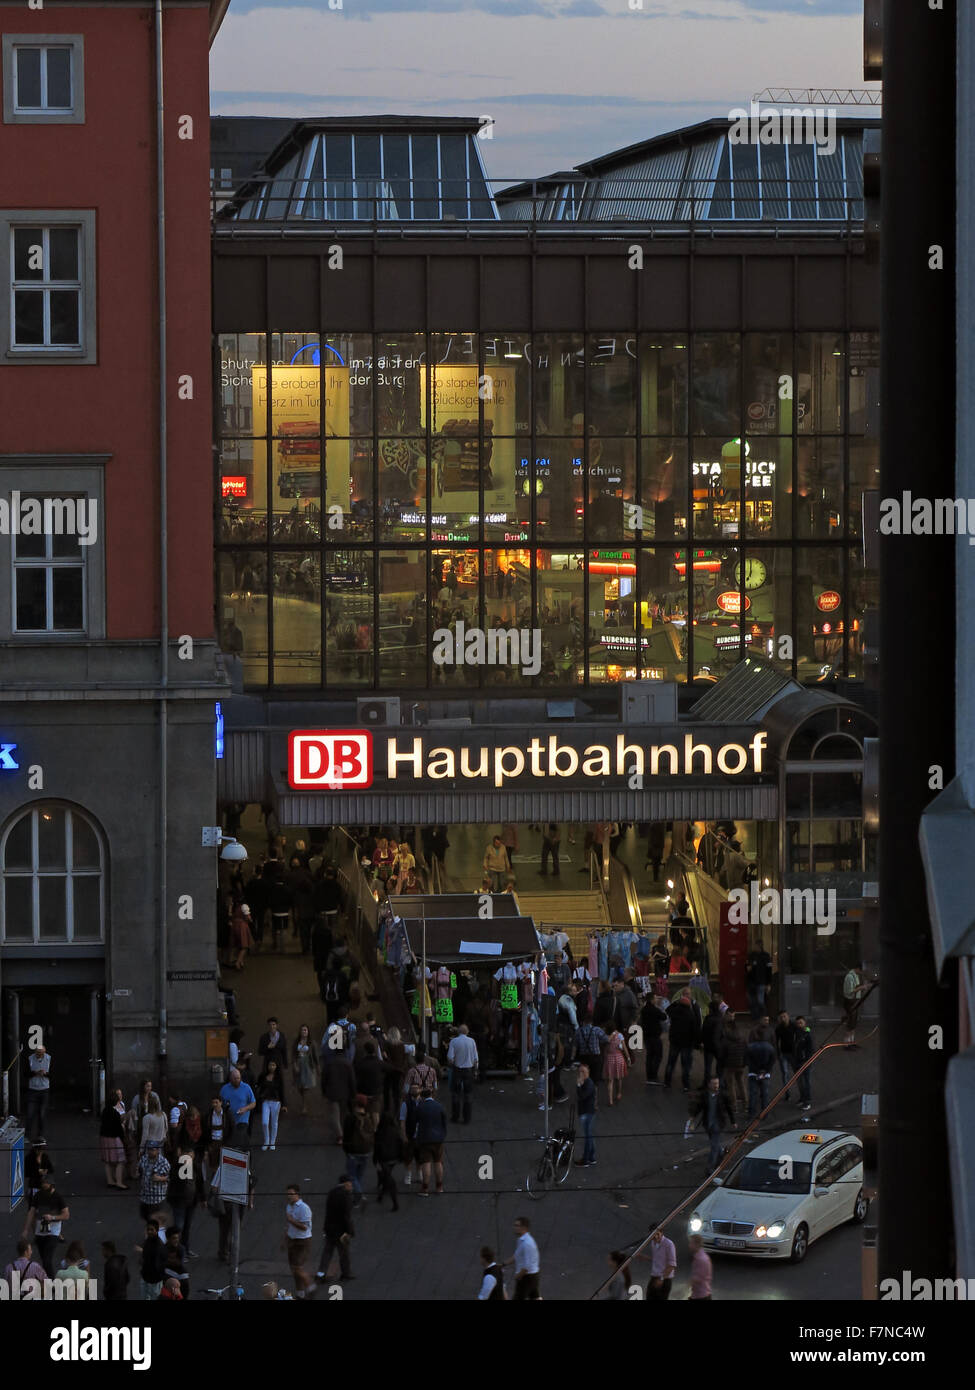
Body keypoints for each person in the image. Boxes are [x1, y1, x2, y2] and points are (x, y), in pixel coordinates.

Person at [689, 1076, 736, 1169]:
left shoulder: (723, 1095)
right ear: (709, 1085)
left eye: (717, 1083)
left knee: (714, 1146)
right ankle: (721, 1155)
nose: (716, 1085)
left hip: (718, 1124)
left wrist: (733, 1121)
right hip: (708, 1124)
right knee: (715, 1143)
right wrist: (693, 1116)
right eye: (714, 1083)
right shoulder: (705, 1095)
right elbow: (700, 1107)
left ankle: (711, 1167)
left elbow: (729, 1108)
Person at [317, 1174, 355, 1284]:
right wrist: (350, 1231)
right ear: (346, 1183)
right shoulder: (346, 1195)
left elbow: (328, 1212)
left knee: (327, 1252)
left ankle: (321, 1274)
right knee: (344, 1253)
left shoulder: (332, 1192)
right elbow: (346, 1216)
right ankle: (346, 1274)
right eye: (350, 1183)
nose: (351, 1185)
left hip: (329, 1229)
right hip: (341, 1231)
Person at [664, 989, 702, 1092]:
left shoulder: (674, 1012)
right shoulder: (691, 1015)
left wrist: (676, 1002)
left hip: (675, 1041)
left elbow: (667, 1010)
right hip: (687, 1043)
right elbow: (696, 1028)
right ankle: (686, 1085)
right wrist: (697, 1042)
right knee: (685, 1064)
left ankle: (667, 1082)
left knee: (671, 1062)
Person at [343, 1095, 378, 1207]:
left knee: (352, 1176)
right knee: (359, 1176)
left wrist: (346, 1149)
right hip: (366, 1151)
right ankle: (358, 1196)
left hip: (353, 1151)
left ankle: (358, 1195)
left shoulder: (350, 1118)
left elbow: (346, 1135)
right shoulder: (368, 1117)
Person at [166, 1143, 198, 1256]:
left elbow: (199, 1183)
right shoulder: (177, 1167)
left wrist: (202, 1198)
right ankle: (176, 1250)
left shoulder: (194, 1167)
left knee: (187, 1227)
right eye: (186, 1157)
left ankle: (185, 1249)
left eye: (190, 1158)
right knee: (179, 1227)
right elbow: (176, 1181)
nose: (188, 1160)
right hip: (179, 1203)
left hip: (191, 1202)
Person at [415, 1087, 448, 1196]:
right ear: (432, 1095)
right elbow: (444, 1122)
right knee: (438, 1162)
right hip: (438, 1139)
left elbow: (416, 1121)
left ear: (422, 1096)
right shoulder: (439, 1106)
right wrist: (442, 1134)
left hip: (425, 1139)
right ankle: (439, 1186)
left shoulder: (420, 1107)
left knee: (426, 1163)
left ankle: (425, 1188)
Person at [284, 1184, 314, 1297]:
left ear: (297, 1194)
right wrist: (284, 1239)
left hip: (303, 1242)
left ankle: (310, 1286)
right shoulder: (289, 1206)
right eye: (287, 1194)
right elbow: (288, 1226)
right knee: (293, 1269)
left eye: (291, 1194)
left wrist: (291, 1220)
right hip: (292, 1240)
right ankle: (300, 1293)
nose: (289, 1197)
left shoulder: (304, 1208)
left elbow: (304, 1227)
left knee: (297, 1267)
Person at [447, 1023, 478, 1124]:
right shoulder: (472, 1041)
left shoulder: (454, 1041)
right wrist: (476, 1070)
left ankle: (455, 1117)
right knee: (468, 1095)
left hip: (457, 1070)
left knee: (456, 1094)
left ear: (458, 1032)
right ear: (467, 1032)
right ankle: (467, 1118)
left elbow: (450, 1058)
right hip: (468, 1070)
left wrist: (452, 1065)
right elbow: (475, 1059)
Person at [373, 1110, 403, 1212]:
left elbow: (376, 1147)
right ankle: (381, 1196)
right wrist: (401, 1156)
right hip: (394, 1158)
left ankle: (394, 1202)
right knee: (387, 1176)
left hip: (383, 1158)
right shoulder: (395, 1131)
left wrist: (375, 1159)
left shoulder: (379, 1132)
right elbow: (400, 1144)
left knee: (388, 1179)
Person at [219, 1067, 257, 1147]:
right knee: (230, 1144)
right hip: (229, 1121)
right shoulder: (224, 1089)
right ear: (230, 1078)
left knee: (240, 1141)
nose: (237, 1080)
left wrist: (245, 1108)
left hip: (242, 1121)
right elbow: (220, 1102)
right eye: (235, 1078)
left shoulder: (246, 1088)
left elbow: (253, 1103)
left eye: (238, 1078)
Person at [99, 1087, 129, 1189]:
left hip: (104, 1138)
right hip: (114, 1138)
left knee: (108, 1161)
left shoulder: (105, 1111)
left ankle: (110, 1181)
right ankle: (119, 1182)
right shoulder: (115, 1113)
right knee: (120, 1161)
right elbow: (118, 1129)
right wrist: (124, 1138)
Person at [719, 1015, 748, 1115]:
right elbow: (746, 1051)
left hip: (729, 1066)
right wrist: (744, 1063)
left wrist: (722, 1063)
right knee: (741, 1084)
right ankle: (745, 1105)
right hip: (740, 1064)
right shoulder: (742, 1037)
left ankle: (734, 1107)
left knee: (731, 1086)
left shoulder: (726, 1039)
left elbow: (722, 1054)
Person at [257, 1058, 286, 1151]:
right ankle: (266, 1141)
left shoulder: (279, 1077)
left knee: (274, 1122)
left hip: (276, 1101)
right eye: (270, 1065)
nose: (272, 1067)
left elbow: (282, 1091)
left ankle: (272, 1142)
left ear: (276, 1066)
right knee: (265, 1122)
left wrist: (284, 1104)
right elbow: (258, 1086)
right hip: (265, 1101)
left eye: (273, 1065)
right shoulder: (263, 1076)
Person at [508, 1216, 540, 1300]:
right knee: (535, 1297)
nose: (514, 1228)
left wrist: (518, 1276)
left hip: (527, 1277)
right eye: (515, 1225)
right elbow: (517, 1255)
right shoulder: (521, 1240)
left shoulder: (527, 1243)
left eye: (517, 1225)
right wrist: (504, 1264)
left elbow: (527, 1266)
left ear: (524, 1228)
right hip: (533, 1276)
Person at [137, 1140, 170, 1221]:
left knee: (156, 1221)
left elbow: (170, 1177)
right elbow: (139, 1170)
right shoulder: (144, 1158)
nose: (150, 1151)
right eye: (149, 1149)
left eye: (153, 1150)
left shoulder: (163, 1162)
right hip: (145, 1196)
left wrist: (160, 1178)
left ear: (158, 1150)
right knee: (145, 1218)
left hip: (156, 1199)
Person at [134, 1219, 167, 1301]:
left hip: (155, 1281)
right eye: (148, 1229)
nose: (149, 1232)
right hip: (146, 1277)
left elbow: (160, 1264)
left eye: (152, 1230)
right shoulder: (148, 1241)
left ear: (157, 1230)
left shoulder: (159, 1247)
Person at [746, 1033, 776, 1119]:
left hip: (753, 1073)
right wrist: (765, 1070)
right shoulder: (770, 1047)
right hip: (765, 1074)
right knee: (765, 1094)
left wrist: (756, 1070)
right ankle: (765, 1114)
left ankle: (751, 1113)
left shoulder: (750, 1047)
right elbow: (773, 1059)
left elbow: (747, 1060)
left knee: (753, 1094)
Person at [641, 991, 668, 1086]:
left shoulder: (644, 1009)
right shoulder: (655, 1010)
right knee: (658, 1056)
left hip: (647, 1036)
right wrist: (660, 1007)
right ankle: (653, 1075)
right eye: (655, 998)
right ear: (652, 999)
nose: (657, 999)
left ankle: (649, 1075)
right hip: (655, 1036)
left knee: (649, 1055)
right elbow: (664, 1017)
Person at [25, 1044, 51, 1143]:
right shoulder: (30, 1059)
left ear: (44, 1052)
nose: (39, 1055)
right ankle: (27, 1135)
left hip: (44, 1090)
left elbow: (53, 1074)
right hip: (33, 1089)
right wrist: (35, 1073)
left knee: (42, 1114)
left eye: (41, 1053)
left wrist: (46, 1074)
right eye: (37, 1053)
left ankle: (40, 1135)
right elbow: (25, 1073)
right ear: (35, 1052)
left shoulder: (49, 1059)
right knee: (30, 1114)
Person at [292, 1023, 319, 1116]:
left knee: (305, 1087)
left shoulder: (312, 1043)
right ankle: (304, 1100)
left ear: (308, 1032)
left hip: (308, 1065)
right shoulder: (296, 1042)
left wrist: (318, 1067)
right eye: (302, 1030)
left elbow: (315, 1056)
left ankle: (304, 1105)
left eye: (305, 1030)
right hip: (299, 1065)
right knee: (299, 1086)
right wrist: (294, 1064)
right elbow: (293, 1055)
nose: (304, 1032)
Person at [573, 1062, 597, 1167]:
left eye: (583, 1071)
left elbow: (582, 1096)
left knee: (588, 1137)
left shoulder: (588, 1083)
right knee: (589, 1136)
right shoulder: (585, 1082)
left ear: (588, 1072)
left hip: (587, 1113)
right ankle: (591, 1157)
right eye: (580, 1071)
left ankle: (586, 1159)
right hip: (586, 1112)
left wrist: (578, 1085)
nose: (581, 1073)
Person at [603, 1024, 632, 1107]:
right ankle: (618, 1093)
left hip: (609, 1059)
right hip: (619, 1058)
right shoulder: (619, 1035)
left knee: (610, 1080)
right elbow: (625, 1048)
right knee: (619, 1078)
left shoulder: (605, 1037)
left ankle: (610, 1100)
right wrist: (628, 1058)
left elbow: (604, 1049)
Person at [353, 1040, 385, 1116]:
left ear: (365, 1051)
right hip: (376, 1091)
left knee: (364, 1110)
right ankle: (375, 1127)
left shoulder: (360, 1063)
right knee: (375, 1112)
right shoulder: (379, 1062)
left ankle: (363, 1125)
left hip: (363, 1090)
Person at [644, 1228, 676, 1300]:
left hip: (664, 1280)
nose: (655, 1237)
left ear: (662, 1233)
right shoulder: (653, 1243)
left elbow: (672, 1265)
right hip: (654, 1277)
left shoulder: (669, 1244)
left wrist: (661, 1279)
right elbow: (658, 1259)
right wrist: (644, 1257)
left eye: (657, 1234)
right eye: (653, 1235)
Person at [774, 1010, 799, 1102]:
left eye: (784, 1016)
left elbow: (800, 1035)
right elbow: (776, 1042)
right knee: (785, 1074)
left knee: (797, 1073)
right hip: (783, 1054)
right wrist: (778, 1054)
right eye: (781, 1017)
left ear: (788, 1016)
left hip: (793, 1054)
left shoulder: (794, 1026)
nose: (783, 1019)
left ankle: (802, 1093)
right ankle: (787, 1093)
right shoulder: (778, 1028)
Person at [575, 1018, 608, 1087]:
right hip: (595, 1056)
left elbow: (576, 1044)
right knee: (595, 1076)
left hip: (583, 1057)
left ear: (584, 1022)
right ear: (591, 1022)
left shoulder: (579, 1031)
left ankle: (585, 1088)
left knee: (584, 1075)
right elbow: (606, 1039)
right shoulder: (596, 1029)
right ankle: (593, 1089)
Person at [843, 963, 869, 1048]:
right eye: (861, 971)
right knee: (850, 1022)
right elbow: (850, 991)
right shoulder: (849, 977)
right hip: (850, 1002)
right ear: (858, 969)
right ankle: (846, 1044)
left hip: (855, 1001)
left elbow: (856, 987)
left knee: (854, 1022)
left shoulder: (856, 976)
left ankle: (852, 1042)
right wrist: (861, 988)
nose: (862, 973)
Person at [382, 1025, 407, 1112]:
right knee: (396, 1091)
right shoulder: (402, 1045)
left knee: (387, 1090)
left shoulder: (387, 1044)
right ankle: (397, 1110)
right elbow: (404, 1057)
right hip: (399, 1070)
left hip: (389, 1070)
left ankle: (387, 1109)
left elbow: (385, 1056)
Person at [794, 1015, 814, 1111]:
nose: (799, 1025)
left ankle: (807, 1101)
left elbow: (811, 1050)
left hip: (805, 1062)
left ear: (805, 1023)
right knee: (800, 1082)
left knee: (806, 1082)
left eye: (801, 1023)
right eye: (798, 1023)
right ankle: (802, 1098)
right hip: (797, 1061)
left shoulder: (807, 1035)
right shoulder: (797, 1032)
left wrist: (806, 1060)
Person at [702, 1001, 725, 1083]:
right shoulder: (720, 1019)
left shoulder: (708, 1018)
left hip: (709, 1047)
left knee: (708, 1067)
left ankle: (707, 1083)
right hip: (717, 1046)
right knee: (720, 1068)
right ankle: (720, 1084)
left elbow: (704, 1032)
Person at [688, 1233, 713, 1300]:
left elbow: (698, 1279)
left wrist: (684, 1288)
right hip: (698, 1295)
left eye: (691, 1243)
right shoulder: (698, 1257)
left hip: (702, 1296)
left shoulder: (701, 1259)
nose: (689, 1245)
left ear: (697, 1244)